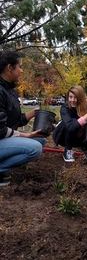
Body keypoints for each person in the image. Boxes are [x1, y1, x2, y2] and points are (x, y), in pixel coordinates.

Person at [0, 50, 47, 186]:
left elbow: (14, 120)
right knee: (34, 148)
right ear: (9, 67)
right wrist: (25, 136)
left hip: (3, 138)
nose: (21, 71)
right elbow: (0, 129)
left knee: (40, 140)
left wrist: (33, 113)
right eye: (20, 67)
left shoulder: (9, 90)